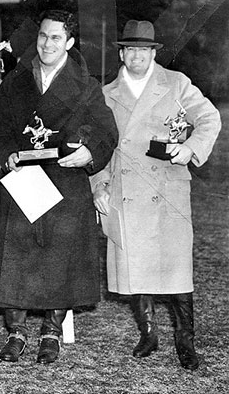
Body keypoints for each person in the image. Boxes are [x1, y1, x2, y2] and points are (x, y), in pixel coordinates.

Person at [0, 10, 119, 364]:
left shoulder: (86, 85)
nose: (47, 43)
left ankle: (51, 331)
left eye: (56, 38)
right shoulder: (15, 81)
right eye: (43, 36)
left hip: (64, 179)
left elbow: (107, 131)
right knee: (15, 256)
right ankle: (15, 332)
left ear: (70, 43)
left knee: (60, 259)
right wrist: (7, 153)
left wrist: (89, 153)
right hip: (22, 181)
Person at [91, 20, 221, 370]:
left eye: (143, 49)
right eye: (130, 49)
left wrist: (191, 147)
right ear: (121, 52)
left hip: (166, 191)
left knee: (176, 272)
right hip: (125, 191)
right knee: (137, 269)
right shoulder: (106, 94)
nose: (136, 55)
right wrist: (99, 186)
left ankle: (185, 339)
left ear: (153, 52)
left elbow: (209, 118)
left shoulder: (175, 84)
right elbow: (99, 147)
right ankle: (148, 332)